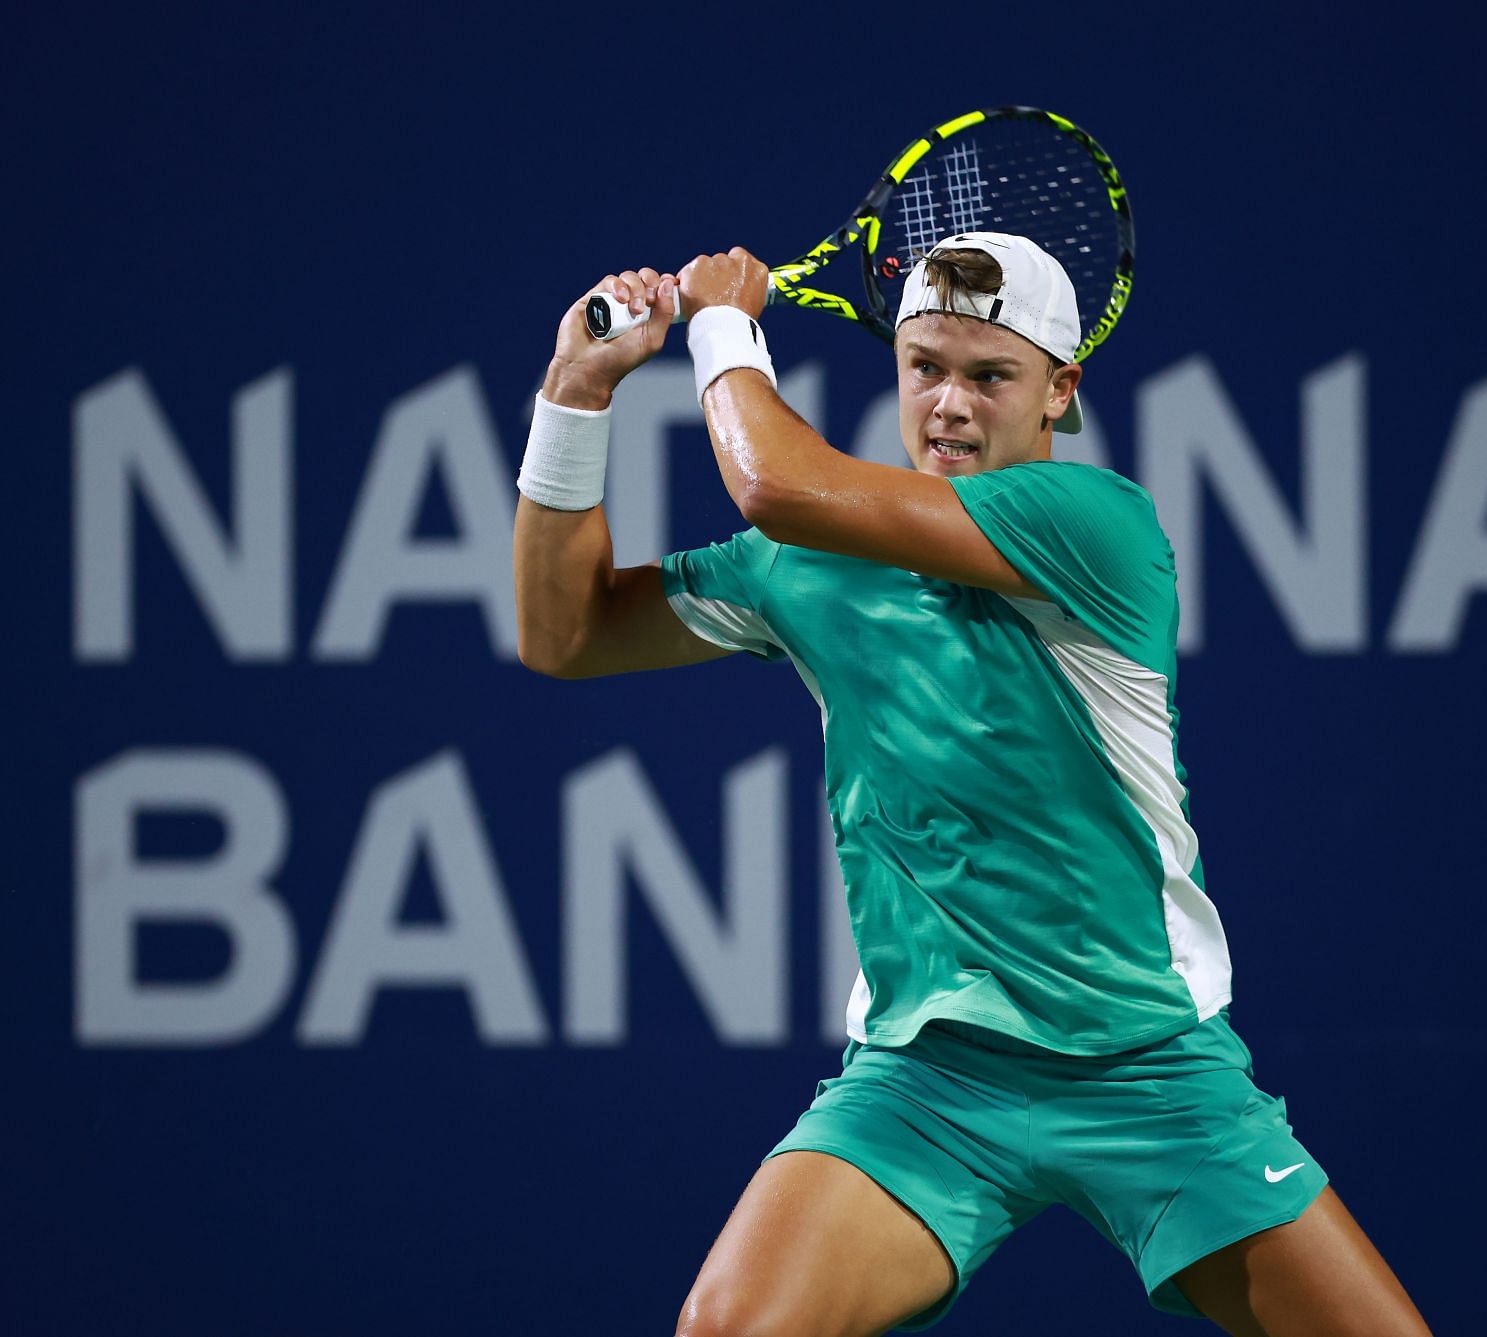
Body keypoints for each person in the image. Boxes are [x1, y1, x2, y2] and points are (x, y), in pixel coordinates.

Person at [514, 233, 1430, 1337]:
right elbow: (564, 634)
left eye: (989, 375)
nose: (948, 405)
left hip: (1150, 1072)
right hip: (927, 1081)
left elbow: (772, 481)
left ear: (1061, 388)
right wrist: (575, 395)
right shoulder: (808, 567)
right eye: (925, 367)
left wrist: (721, 321)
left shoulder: (1100, 526)